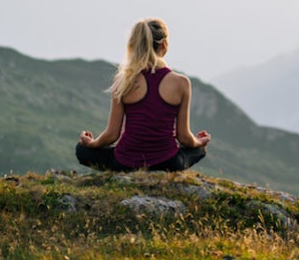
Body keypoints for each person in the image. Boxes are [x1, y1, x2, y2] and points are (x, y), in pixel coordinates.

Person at [76, 18, 211, 172]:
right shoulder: (181, 82)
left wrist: (91, 143)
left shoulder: (123, 80)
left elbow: (112, 135)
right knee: (199, 150)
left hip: (125, 163)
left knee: (81, 150)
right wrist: (200, 142)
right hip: (169, 162)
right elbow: (184, 137)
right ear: (164, 45)